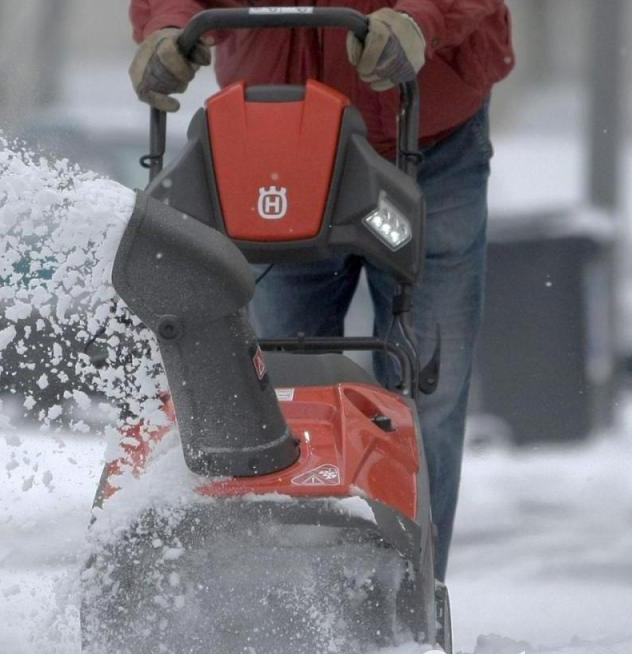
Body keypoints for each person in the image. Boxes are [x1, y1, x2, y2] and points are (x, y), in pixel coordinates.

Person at [127, 0, 514, 582]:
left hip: (430, 137)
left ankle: (415, 588)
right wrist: (167, 24)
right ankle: (282, 584)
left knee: (427, 394)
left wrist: (420, 19)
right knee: (274, 386)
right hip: (278, 144)